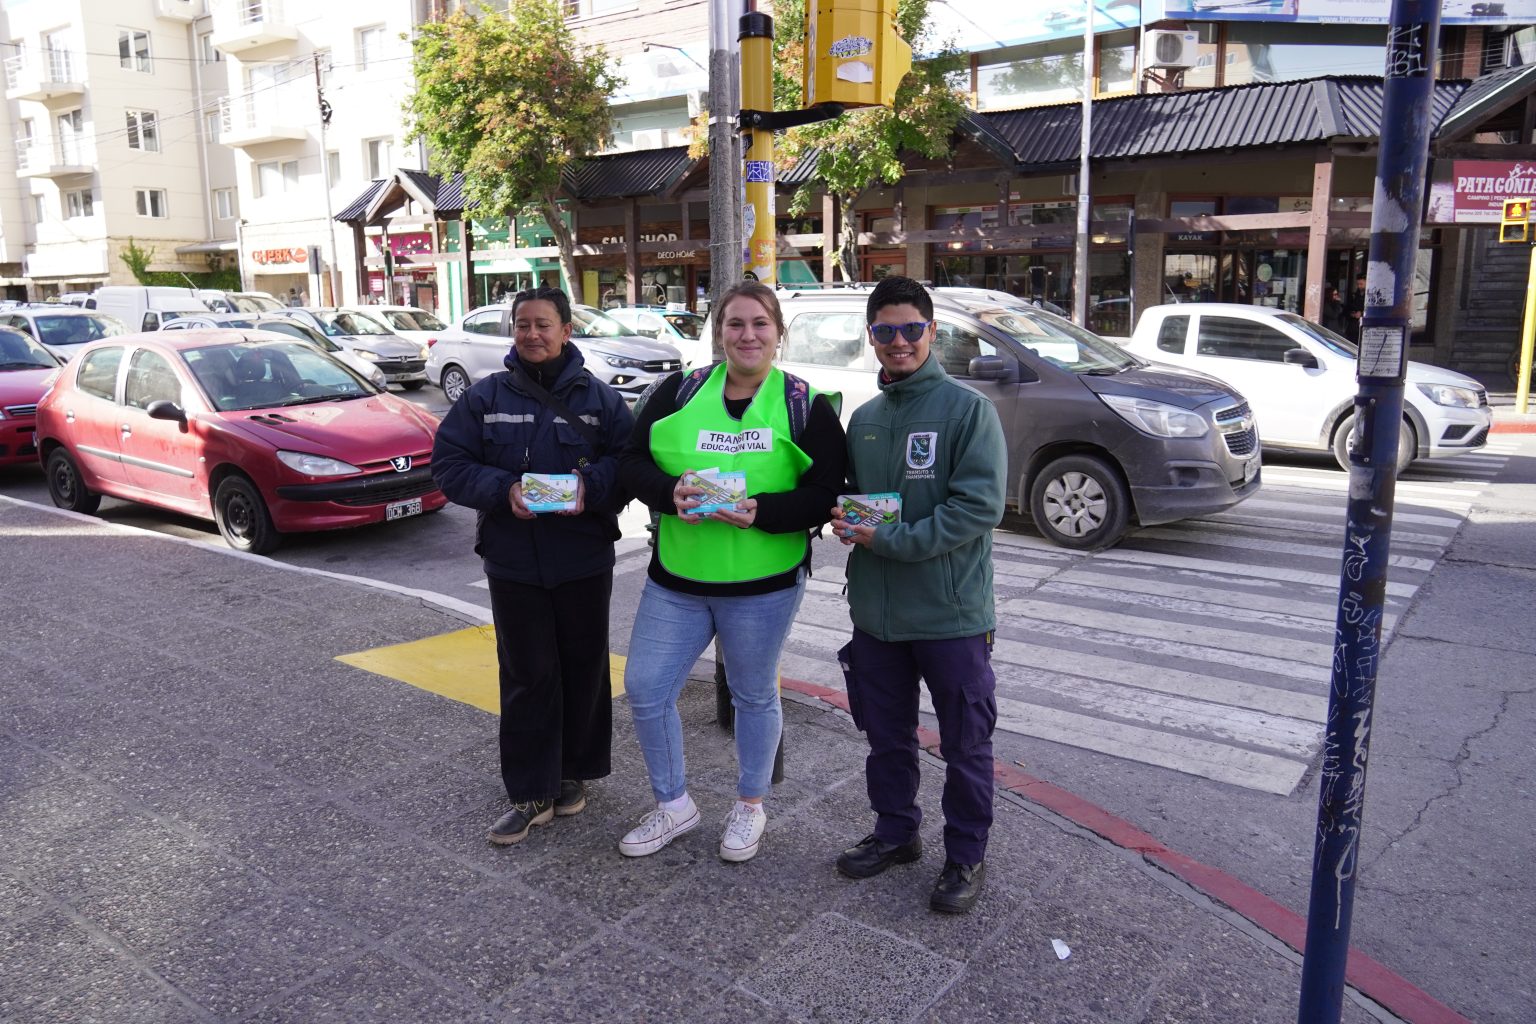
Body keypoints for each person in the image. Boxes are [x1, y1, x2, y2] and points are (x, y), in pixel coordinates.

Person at [617, 281, 846, 863]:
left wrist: (763, 512)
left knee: (752, 695)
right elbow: (630, 462)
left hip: (763, 585)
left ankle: (750, 804)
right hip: (680, 579)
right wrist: (670, 493)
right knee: (644, 688)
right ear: (718, 332)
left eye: (759, 324)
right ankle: (674, 805)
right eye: (735, 324)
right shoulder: (678, 391)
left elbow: (827, 493)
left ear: (778, 332)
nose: (747, 335)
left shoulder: (804, 404)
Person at [431, 286, 635, 845]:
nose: (532, 334)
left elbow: (629, 465)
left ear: (567, 331)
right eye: (523, 324)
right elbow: (448, 464)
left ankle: (573, 774)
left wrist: (589, 489)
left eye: (544, 324)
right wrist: (505, 490)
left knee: (584, 667)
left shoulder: (601, 400)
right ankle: (529, 790)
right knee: (527, 673)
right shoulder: (485, 397)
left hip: (583, 558)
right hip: (514, 560)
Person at [830, 275, 1006, 915]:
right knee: (887, 736)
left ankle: (965, 854)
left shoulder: (968, 411)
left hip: (950, 614)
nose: (898, 341)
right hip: (877, 615)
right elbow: (859, 503)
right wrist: (846, 519)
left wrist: (889, 540)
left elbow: (977, 509)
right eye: (885, 331)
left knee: (965, 744)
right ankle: (896, 832)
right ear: (871, 336)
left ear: (932, 333)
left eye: (911, 329)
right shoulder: (868, 418)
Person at [1346, 274, 1367, 342]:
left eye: (1361, 284)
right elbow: (1347, 309)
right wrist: (1351, 314)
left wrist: (1362, 314)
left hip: (1364, 327)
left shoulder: (1370, 296)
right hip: (1353, 327)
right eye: (1358, 284)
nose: (1359, 286)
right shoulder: (1354, 295)